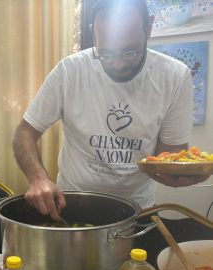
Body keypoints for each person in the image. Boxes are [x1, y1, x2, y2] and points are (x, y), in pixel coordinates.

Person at [13, 0, 208, 221]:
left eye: (129, 52)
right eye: (105, 54)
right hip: (73, 204)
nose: (117, 65)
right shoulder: (70, 71)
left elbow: (168, 155)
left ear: (149, 27)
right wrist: (38, 178)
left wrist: (178, 173)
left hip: (138, 211)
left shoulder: (174, 77)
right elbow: (24, 133)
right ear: (94, 34)